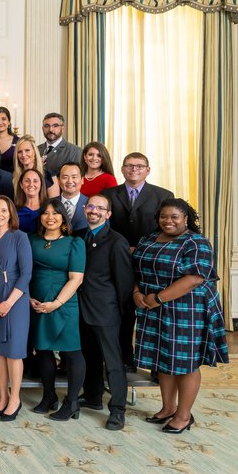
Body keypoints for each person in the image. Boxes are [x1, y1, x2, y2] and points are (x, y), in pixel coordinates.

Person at [132, 198, 229, 434]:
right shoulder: (149, 239)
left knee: (185, 362)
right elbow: (136, 267)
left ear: (186, 218)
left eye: (174, 216)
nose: (168, 221)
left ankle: (184, 416)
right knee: (163, 358)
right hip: (152, 306)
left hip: (186, 309)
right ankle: (168, 408)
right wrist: (137, 292)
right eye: (164, 216)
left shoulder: (196, 242)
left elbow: (195, 278)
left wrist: (158, 298)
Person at [102, 152, 174, 367]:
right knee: (123, 311)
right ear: (122, 169)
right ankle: (125, 357)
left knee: (153, 311)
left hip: (151, 261)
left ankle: (156, 363)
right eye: (129, 166)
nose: (134, 170)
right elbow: (104, 226)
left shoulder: (163, 195)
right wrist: (123, 248)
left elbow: (167, 228)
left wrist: (142, 248)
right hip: (117, 261)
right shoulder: (109, 194)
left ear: (148, 170)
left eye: (139, 166)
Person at [75, 194, 133, 431]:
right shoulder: (80, 236)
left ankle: (118, 410)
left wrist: (123, 314)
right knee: (89, 356)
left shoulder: (116, 241)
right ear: (85, 209)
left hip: (106, 312)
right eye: (91, 206)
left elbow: (124, 282)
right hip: (82, 309)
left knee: (113, 362)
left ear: (108, 214)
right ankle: (93, 396)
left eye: (100, 208)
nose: (94, 211)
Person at [29, 198, 86, 421]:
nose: (50, 217)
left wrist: (57, 303)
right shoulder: (31, 240)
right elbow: (24, 272)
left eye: (55, 213)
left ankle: (72, 402)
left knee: (71, 352)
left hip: (64, 303)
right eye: (45, 213)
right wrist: (29, 298)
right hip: (37, 301)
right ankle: (49, 395)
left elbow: (76, 278)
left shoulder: (74, 243)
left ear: (63, 217)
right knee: (42, 349)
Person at [0, 196, 32, 423]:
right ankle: (3, 397)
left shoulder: (19, 237)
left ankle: (15, 399)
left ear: (11, 214)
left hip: (15, 299)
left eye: (3, 210)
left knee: (13, 351)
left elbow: (26, 273)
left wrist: (9, 303)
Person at [38, 112, 82, 178]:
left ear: (63, 128)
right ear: (42, 129)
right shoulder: (36, 150)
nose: (50, 129)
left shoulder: (75, 152)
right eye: (47, 126)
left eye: (55, 126)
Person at [56, 162, 89, 232]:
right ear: (58, 180)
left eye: (74, 177)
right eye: (65, 177)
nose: (70, 181)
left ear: (82, 180)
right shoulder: (50, 204)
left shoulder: (91, 205)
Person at [15, 169, 47, 234]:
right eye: (27, 181)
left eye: (35, 181)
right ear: (21, 185)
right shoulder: (14, 210)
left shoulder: (49, 207)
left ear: (41, 184)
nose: (31, 184)